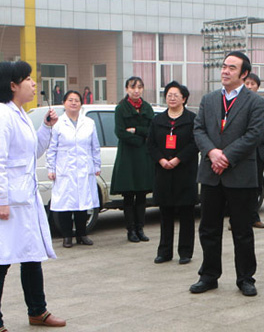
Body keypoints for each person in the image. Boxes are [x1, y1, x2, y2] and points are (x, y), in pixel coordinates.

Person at [0, 61, 65, 332]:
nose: (33, 83)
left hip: (24, 198)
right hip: (7, 201)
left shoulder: (20, 114)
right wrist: (0, 200)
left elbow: (30, 153)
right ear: (12, 85)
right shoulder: (0, 114)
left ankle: (37, 311)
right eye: (27, 79)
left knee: (31, 254)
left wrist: (47, 128)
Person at [190, 51, 264, 297]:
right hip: (211, 174)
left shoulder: (255, 102)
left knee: (242, 229)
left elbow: (253, 135)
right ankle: (209, 275)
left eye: (232, 68)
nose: (225, 71)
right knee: (209, 228)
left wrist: (226, 157)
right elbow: (199, 128)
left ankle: (245, 278)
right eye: (224, 66)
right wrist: (212, 153)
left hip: (240, 175)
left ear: (244, 74)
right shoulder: (209, 99)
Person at [148, 81, 198, 265]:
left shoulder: (192, 119)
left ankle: (185, 252)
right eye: (169, 94)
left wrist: (178, 159)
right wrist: (161, 160)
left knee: (186, 213)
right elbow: (151, 144)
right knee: (165, 214)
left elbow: (195, 144)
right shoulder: (158, 120)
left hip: (184, 172)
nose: (172, 98)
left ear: (184, 98)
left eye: (176, 95)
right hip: (163, 172)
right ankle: (164, 251)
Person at [46, 90, 101, 248]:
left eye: (76, 100)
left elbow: (94, 146)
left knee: (82, 205)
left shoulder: (89, 123)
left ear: (81, 104)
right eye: (70, 100)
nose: (73, 103)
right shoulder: (58, 124)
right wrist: (51, 168)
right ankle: (67, 236)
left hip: (84, 169)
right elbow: (52, 148)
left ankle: (82, 234)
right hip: (64, 170)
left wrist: (96, 165)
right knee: (65, 205)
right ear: (64, 103)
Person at [110, 76, 155, 243]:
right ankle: (131, 230)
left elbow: (151, 130)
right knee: (128, 195)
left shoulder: (147, 108)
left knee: (142, 195)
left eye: (139, 87)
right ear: (127, 89)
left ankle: (141, 228)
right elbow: (120, 132)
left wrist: (136, 130)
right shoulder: (121, 108)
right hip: (127, 156)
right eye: (132, 87)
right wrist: (140, 140)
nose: (136, 90)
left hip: (143, 156)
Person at [244, 73, 264, 229]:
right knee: (240, 187)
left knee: (256, 185)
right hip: (242, 153)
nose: (249, 86)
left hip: (258, 153)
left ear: (257, 87)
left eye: (252, 84)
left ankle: (254, 216)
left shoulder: (261, 103)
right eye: (247, 83)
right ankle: (238, 219)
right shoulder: (237, 103)